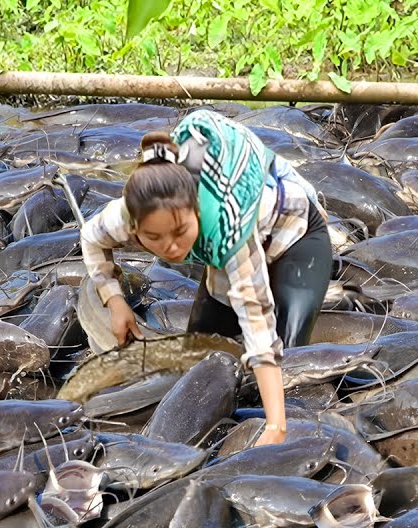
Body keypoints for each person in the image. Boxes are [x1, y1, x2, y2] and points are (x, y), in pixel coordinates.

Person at [79, 108, 333, 447]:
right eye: (154, 238)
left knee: (287, 365)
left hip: (296, 236)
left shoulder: (228, 231)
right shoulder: (125, 215)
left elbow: (257, 324)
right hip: (225, 240)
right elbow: (91, 239)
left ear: (197, 210)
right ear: (134, 227)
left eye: (180, 232)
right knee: (196, 366)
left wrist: (276, 426)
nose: (170, 248)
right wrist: (114, 301)